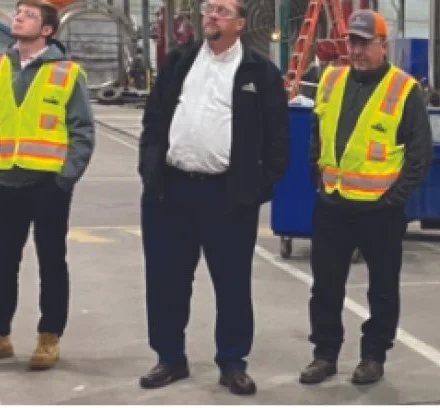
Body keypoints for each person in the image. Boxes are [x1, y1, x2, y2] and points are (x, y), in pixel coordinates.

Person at [134, 0, 290, 396]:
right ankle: (169, 357)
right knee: (166, 281)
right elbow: (153, 120)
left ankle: (233, 361)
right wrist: (150, 169)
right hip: (171, 191)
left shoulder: (260, 72)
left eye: (222, 10)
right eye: (208, 8)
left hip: (227, 197)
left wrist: (255, 191)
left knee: (233, 284)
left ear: (240, 23)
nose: (211, 16)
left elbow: (277, 140)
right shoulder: (179, 61)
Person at [0, 0, 95, 371]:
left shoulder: (67, 73)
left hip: (49, 184)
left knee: (51, 262)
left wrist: (66, 177)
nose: (19, 17)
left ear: (47, 30)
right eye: (18, 12)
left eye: (29, 15)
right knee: (0, 262)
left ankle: (49, 337)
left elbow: (83, 132)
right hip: (5, 182)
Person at [297, 9, 433, 386]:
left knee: (383, 289)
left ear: (383, 46)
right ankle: (324, 354)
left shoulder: (404, 89)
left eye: (364, 43)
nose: (356, 50)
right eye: (352, 42)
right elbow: (317, 132)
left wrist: (394, 198)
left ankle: (373, 357)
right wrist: (319, 177)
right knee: (325, 286)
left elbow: (420, 154)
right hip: (333, 205)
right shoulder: (331, 79)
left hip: (380, 212)